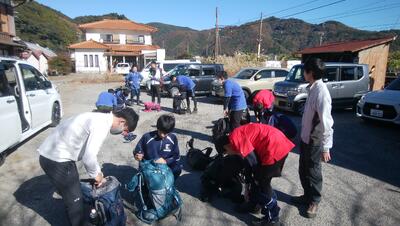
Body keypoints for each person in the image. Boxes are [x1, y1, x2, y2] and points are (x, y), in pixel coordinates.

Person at [38, 108, 139, 226]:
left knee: (73, 190)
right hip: (56, 159)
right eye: (125, 130)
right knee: (75, 202)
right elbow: (89, 157)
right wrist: (98, 175)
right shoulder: (101, 124)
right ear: (121, 121)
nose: (123, 133)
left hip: (55, 154)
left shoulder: (98, 117)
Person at [219, 123, 295, 226]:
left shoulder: (235, 139)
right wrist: (247, 187)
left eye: (227, 152)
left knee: (263, 183)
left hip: (274, 147)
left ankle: (272, 218)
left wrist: (255, 181)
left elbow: (253, 162)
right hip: (275, 142)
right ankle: (253, 204)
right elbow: (248, 165)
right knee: (257, 179)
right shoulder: (235, 138)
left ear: (226, 146)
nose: (229, 154)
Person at [291, 58, 334, 218]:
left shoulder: (322, 92)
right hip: (305, 138)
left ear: (311, 73)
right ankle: (307, 196)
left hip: (315, 141)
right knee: (303, 169)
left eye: (305, 70)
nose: (303, 73)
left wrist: (326, 147)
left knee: (313, 172)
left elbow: (327, 122)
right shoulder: (312, 88)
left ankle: (314, 201)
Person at [133, 114, 182, 179]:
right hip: (150, 167)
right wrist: (138, 155)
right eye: (160, 131)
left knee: (177, 169)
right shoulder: (147, 137)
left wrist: (165, 161)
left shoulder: (173, 138)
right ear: (157, 127)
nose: (162, 135)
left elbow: (176, 157)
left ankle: (168, 184)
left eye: (165, 133)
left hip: (165, 167)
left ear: (170, 131)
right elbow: (138, 150)